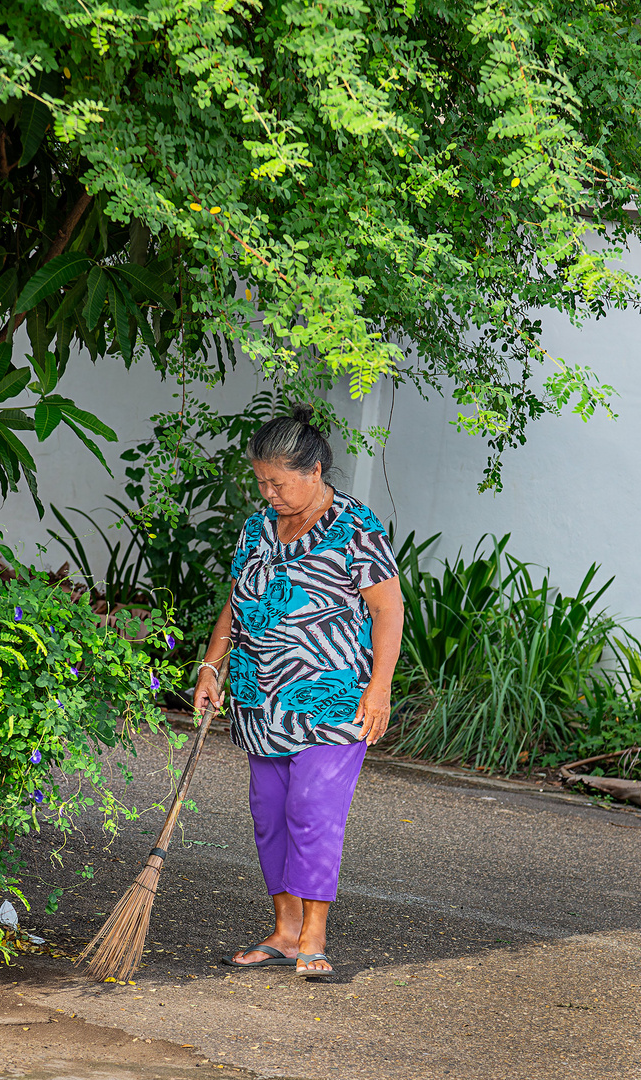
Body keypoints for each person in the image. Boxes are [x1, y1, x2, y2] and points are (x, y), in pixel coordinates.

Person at [194, 405, 403, 976]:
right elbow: (237, 603)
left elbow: (388, 610)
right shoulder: (257, 527)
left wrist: (379, 688)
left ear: (314, 471)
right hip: (260, 701)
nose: (268, 493)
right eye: (261, 481)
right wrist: (211, 667)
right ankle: (284, 929)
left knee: (312, 810)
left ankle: (314, 933)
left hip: (333, 701)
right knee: (269, 814)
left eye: (278, 482)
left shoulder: (356, 528)